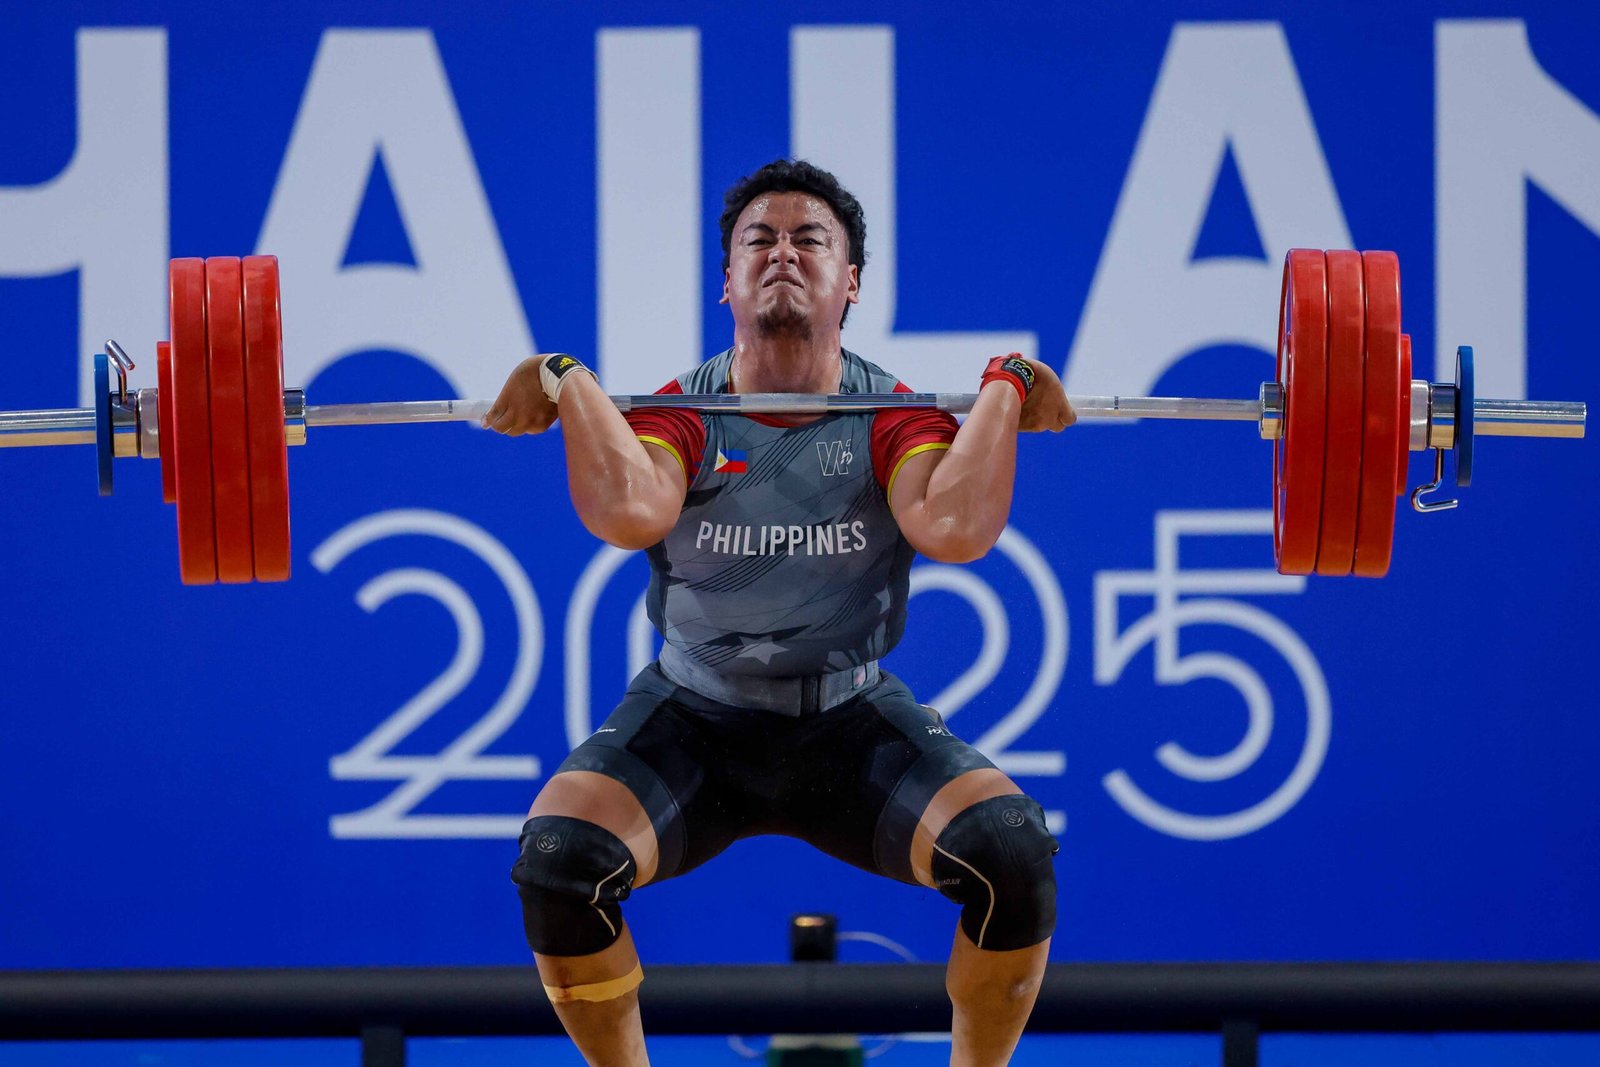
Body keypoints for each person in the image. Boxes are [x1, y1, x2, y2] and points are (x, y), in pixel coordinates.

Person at [482, 159, 1076, 1067]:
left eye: (810, 240)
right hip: (694, 721)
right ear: (727, 281)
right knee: (560, 861)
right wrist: (565, 378)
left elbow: (954, 527)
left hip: (849, 723)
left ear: (851, 282)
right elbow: (628, 512)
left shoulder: (892, 417)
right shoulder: (683, 415)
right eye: (759, 240)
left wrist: (1007, 382)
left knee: (1012, 854)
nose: (783, 253)